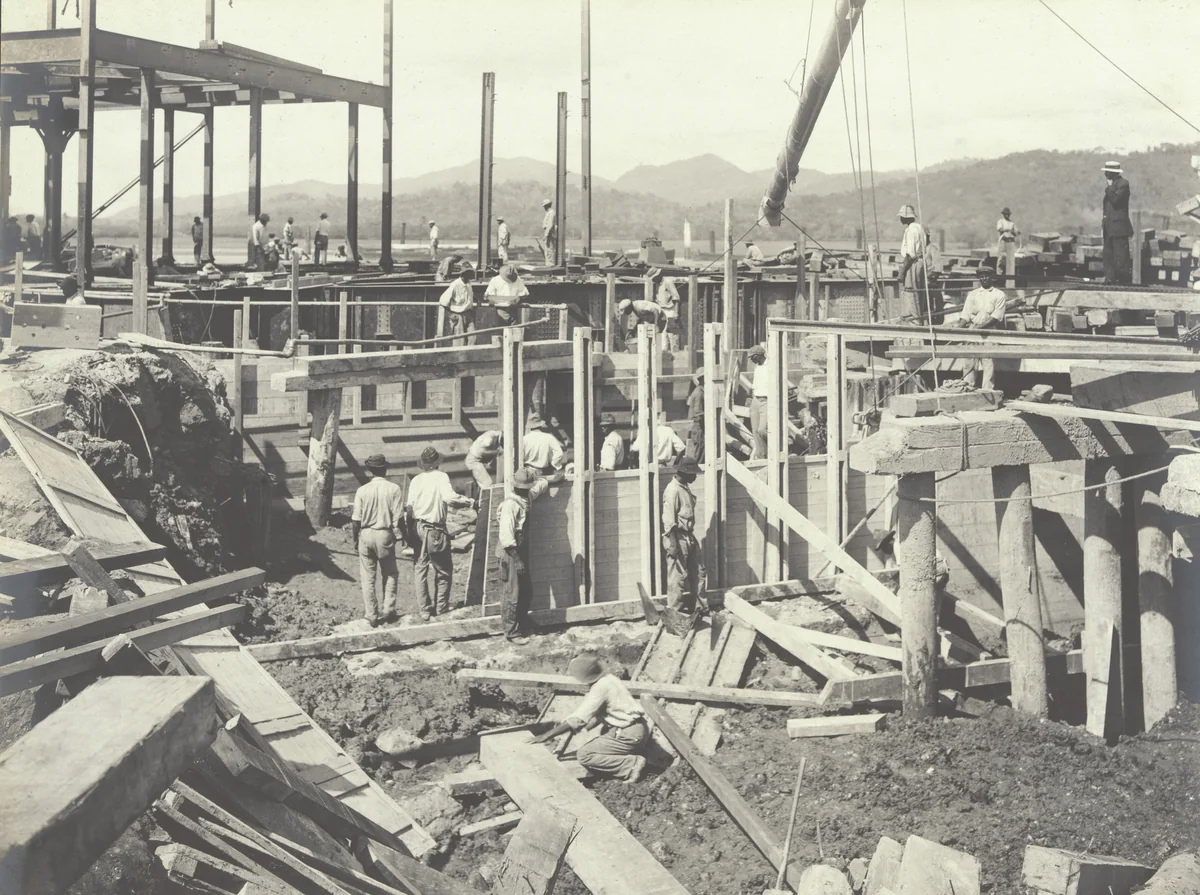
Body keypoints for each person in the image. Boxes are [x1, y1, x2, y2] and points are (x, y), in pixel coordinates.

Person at [530, 654, 649, 783]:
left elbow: (578, 719)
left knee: (584, 755)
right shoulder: (609, 679)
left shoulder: (599, 689)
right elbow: (601, 712)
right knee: (602, 733)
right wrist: (584, 727)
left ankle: (631, 764)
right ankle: (622, 755)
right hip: (638, 728)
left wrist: (545, 736)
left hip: (628, 735)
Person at [406, 446, 475, 620]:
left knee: (420, 568)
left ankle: (424, 609)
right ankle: (441, 606)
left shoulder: (416, 480)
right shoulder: (442, 477)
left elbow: (409, 508)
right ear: (437, 463)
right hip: (435, 530)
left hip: (418, 527)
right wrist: (469, 502)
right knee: (443, 570)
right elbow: (449, 498)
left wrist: (409, 531)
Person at [495, 467, 550, 642]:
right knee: (512, 593)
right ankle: (511, 632)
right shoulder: (510, 505)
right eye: (524, 489)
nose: (526, 491)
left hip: (521, 550)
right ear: (516, 487)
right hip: (511, 553)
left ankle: (522, 624)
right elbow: (506, 537)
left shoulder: (526, 497)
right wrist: (518, 561)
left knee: (526, 591)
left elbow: (540, 486)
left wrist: (553, 479)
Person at [351, 454, 404, 626]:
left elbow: (356, 520)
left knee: (367, 577)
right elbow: (399, 518)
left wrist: (354, 539)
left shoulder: (362, 490)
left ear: (370, 470)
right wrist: (404, 536)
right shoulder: (394, 489)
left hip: (365, 534)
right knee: (390, 573)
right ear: (385, 469)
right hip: (384, 533)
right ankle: (388, 609)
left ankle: (371, 614)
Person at [947, 264, 1006, 391]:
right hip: (972, 333)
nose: (984, 279)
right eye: (982, 276)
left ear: (992, 278)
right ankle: (967, 389)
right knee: (969, 364)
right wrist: (957, 331)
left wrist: (976, 329)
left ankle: (988, 391)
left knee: (988, 364)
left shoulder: (999, 295)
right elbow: (965, 315)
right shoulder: (972, 294)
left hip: (990, 334)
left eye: (987, 276)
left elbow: (995, 317)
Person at [662, 457, 706, 614]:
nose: (695, 477)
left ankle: (700, 608)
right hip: (677, 536)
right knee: (677, 577)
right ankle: (674, 612)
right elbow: (669, 522)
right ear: (684, 473)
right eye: (693, 473)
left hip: (688, 535)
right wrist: (673, 544)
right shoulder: (672, 491)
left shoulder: (684, 487)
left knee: (699, 572)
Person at [1101, 160, 1133, 285]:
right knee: (1108, 254)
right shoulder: (1114, 185)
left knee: (1120, 255)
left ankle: (1123, 280)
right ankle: (1110, 278)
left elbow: (1116, 201)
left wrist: (1109, 188)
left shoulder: (1123, 184)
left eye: (1108, 172)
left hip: (1119, 227)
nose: (1105, 175)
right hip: (1109, 227)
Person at [896, 204, 927, 323]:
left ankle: (914, 324)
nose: (900, 219)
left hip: (913, 264)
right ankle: (918, 321)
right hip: (919, 263)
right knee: (918, 296)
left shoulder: (911, 230)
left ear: (905, 217)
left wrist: (902, 272)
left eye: (901, 217)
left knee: (911, 294)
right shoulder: (920, 228)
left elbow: (910, 254)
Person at [439, 265, 476, 344]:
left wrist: (477, 300)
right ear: (463, 274)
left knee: (473, 337)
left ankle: (471, 355)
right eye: (469, 273)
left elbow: (470, 294)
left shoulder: (468, 283)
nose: (471, 275)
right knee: (459, 340)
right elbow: (443, 301)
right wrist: (451, 314)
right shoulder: (455, 284)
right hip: (458, 315)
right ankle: (458, 355)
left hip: (468, 314)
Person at [522, 413, 565, 480]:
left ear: (530, 426)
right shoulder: (549, 437)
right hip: (544, 472)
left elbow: (515, 457)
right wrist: (554, 464)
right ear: (541, 425)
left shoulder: (524, 439)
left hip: (527, 473)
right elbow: (559, 453)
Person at [650, 267, 682, 353]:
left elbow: (676, 297)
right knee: (663, 334)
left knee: (673, 334)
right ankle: (665, 353)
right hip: (662, 310)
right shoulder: (657, 284)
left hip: (670, 310)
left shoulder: (668, 282)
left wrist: (676, 312)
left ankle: (675, 353)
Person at [747, 344, 769, 459]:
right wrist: (751, 397)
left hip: (766, 400)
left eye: (752, 357)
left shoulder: (770, 366)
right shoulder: (757, 367)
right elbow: (755, 385)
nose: (751, 360)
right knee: (755, 430)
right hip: (756, 399)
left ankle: (771, 450)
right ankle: (762, 456)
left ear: (758, 356)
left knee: (762, 429)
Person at [686, 368, 705, 462]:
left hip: (699, 427)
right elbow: (698, 414)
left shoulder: (700, 391)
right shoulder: (699, 393)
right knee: (699, 454)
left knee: (701, 452)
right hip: (699, 428)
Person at [995, 207, 1018, 277]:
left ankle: (1010, 275)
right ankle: (999, 273)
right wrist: (1007, 229)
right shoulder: (1000, 221)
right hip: (1003, 240)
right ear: (1003, 214)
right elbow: (999, 229)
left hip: (1010, 241)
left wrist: (1014, 232)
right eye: (1005, 214)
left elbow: (1015, 232)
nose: (1007, 215)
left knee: (1011, 259)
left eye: (1008, 214)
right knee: (1001, 257)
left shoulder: (1012, 223)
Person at [541, 199, 556, 265]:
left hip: (550, 234)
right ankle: (549, 264)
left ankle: (550, 265)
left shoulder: (551, 213)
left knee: (549, 251)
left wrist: (546, 234)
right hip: (548, 233)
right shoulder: (549, 213)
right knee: (547, 250)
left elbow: (550, 225)